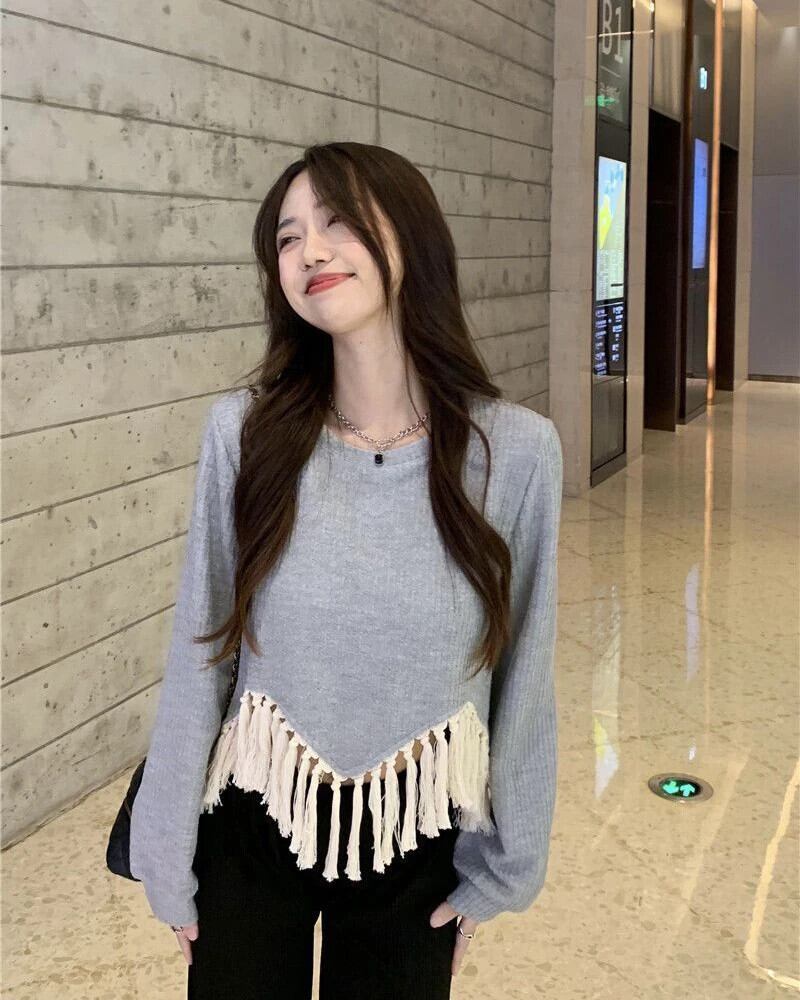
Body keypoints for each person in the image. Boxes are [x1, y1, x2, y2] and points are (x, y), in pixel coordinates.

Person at [129, 141, 563, 1000]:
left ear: (412, 236)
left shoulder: (513, 452)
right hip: (255, 816)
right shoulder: (246, 434)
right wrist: (165, 851)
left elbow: (525, 673)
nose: (310, 251)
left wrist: (505, 868)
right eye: (288, 237)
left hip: (416, 832)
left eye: (337, 222)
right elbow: (203, 649)